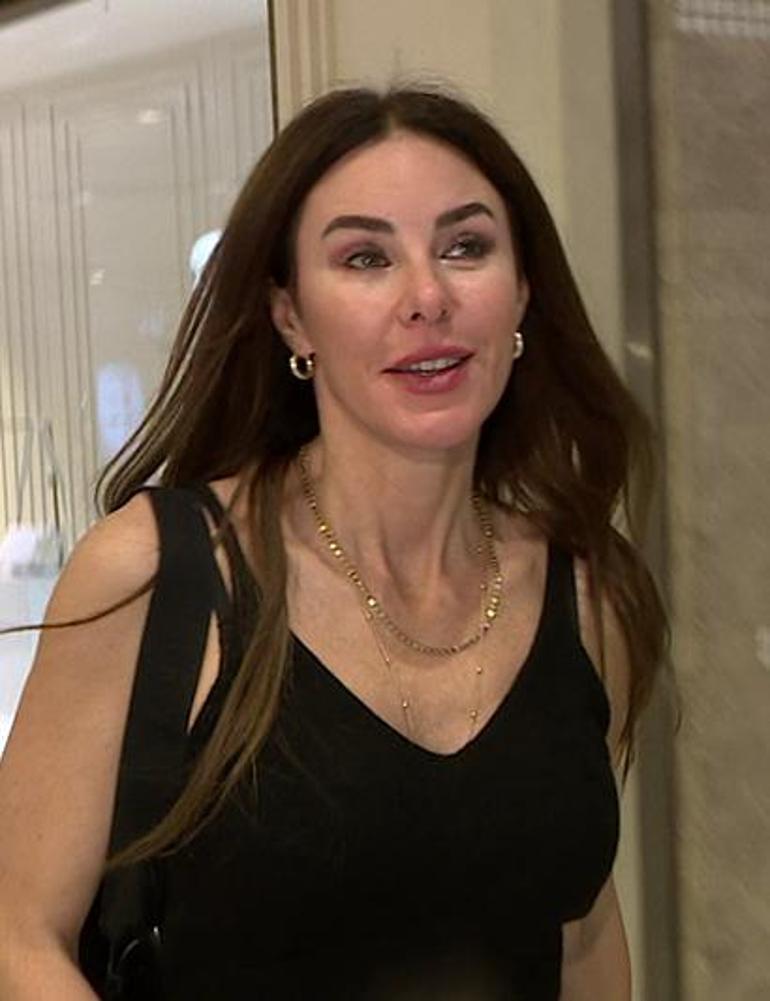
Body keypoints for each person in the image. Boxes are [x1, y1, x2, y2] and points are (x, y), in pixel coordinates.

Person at [0, 85, 667, 999]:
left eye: (466, 247)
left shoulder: (588, 595)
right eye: (365, 257)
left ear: (522, 292)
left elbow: (582, 932)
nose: (427, 297)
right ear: (291, 316)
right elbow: (19, 935)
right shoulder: (157, 573)